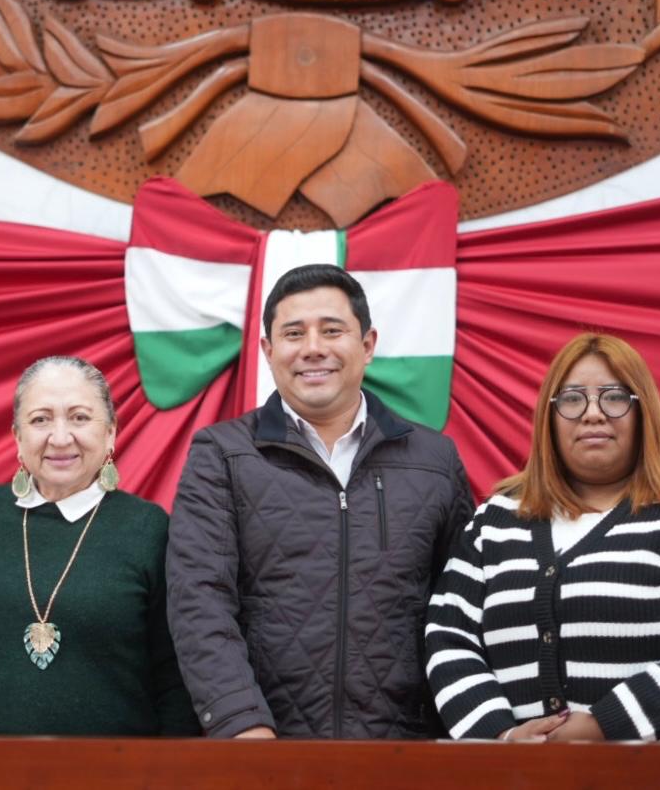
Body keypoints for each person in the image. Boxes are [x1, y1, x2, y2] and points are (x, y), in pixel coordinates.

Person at [167, 264, 474, 739]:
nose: (313, 348)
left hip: (406, 751)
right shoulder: (224, 454)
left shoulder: (434, 460)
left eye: (332, 330)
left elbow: (462, 608)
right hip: (263, 747)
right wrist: (240, 722)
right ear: (268, 350)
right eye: (294, 333)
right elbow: (199, 598)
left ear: (367, 344)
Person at [426, 332, 660, 743]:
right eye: (571, 399)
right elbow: (448, 640)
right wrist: (502, 737)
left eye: (614, 396)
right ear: (548, 418)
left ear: (644, 411)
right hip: (522, 780)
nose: (592, 413)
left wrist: (604, 726)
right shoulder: (495, 520)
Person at [0, 355, 197, 735]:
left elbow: (175, 681)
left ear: (111, 432)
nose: (60, 437)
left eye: (80, 418)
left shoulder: (150, 529)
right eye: (40, 419)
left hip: (114, 773)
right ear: (17, 436)